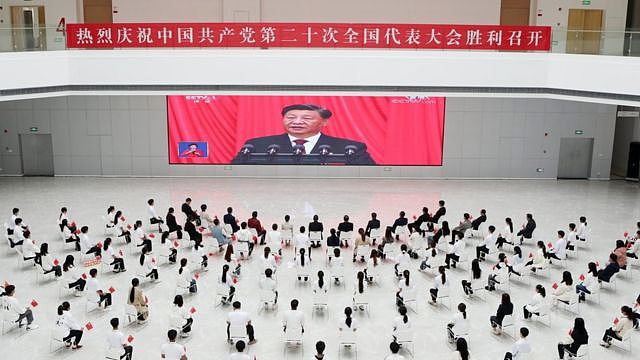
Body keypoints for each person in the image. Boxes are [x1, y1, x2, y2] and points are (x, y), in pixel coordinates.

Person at [231, 103, 375, 165]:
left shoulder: (350, 148)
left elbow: (370, 176)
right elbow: (234, 172)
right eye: (291, 117)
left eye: (306, 118)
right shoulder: (257, 145)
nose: (297, 122)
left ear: (324, 122)